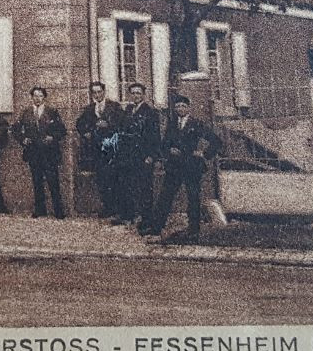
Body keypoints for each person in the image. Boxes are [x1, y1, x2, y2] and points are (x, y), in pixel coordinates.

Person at [141, 95, 223, 244]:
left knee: (193, 199)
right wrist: (169, 150)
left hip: (191, 167)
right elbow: (164, 143)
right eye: (177, 106)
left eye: (183, 106)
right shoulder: (172, 124)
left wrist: (203, 153)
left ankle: (193, 231)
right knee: (165, 196)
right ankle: (156, 228)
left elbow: (216, 141)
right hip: (174, 167)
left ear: (189, 108)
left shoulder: (196, 124)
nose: (180, 109)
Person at [74, 82, 125, 221]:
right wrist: (86, 133)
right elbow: (79, 124)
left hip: (112, 148)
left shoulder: (114, 107)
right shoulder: (90, 109)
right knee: (102, 179)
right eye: (94, 92)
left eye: (99, 92)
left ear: (104, 92)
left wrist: (108, 125)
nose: (97, 95)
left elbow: (123, 124)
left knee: (114, 178)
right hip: (96, 150)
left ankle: (118, 209)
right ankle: (107, 207)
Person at [14, 87, 67, 219]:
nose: (37, 98)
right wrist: (23, 139)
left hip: (49, 152)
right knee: (37, 181)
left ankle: (58, 210)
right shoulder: (26, 112)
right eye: (35, 96)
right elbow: (15, 128)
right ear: (31, 97)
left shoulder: (52, 112)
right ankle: (40, 209)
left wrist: (53, 137)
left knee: (53, 181)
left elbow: (62, 130)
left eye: (40, 96)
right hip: (34, 152)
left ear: (44, 97)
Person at [118, 82, 162, 228]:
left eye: (138, 93)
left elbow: (155, 136)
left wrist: (151, 156)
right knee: (128, 186)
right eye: (133, 93)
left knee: (144, 187)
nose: (135, 96)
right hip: (128, 154)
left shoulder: (150, 112)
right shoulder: (128, 110)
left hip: (143, 155)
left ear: (143, 94)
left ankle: (146, 219)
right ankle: (129, 216)